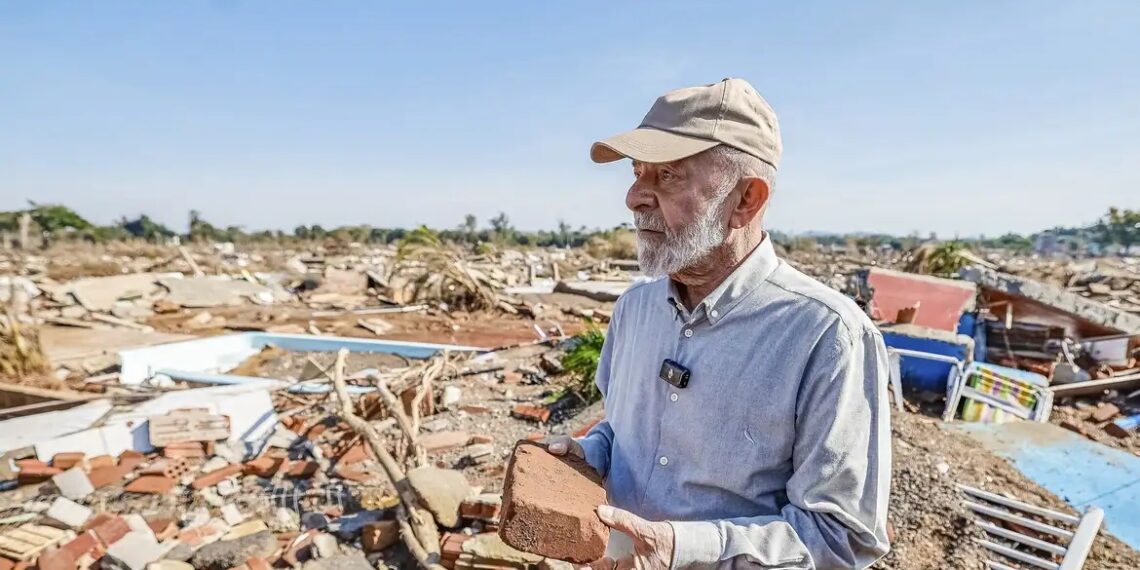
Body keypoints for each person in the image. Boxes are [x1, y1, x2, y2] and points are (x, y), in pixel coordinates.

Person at [545, 78, 891, 570]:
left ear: (746, 198)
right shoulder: (635, 310)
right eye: (637, 173)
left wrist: (679, 550)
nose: (634, 197)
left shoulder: (827, 336)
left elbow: (842, 537)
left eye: (666, 176)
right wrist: (589, 454)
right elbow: (621, 432)